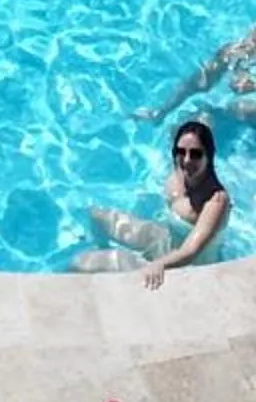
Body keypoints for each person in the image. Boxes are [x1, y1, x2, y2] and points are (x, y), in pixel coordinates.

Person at [75, 119, 232, 287]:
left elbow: (190, 251)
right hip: (167, 241)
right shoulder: (181, 173)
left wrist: (159, 264)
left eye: (196, 154)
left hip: (187, 266)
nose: (187, 160)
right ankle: (101, 247)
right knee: (98, 216)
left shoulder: (215, 201)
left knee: (81, 262)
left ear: (209, 156)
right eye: (181, 151)